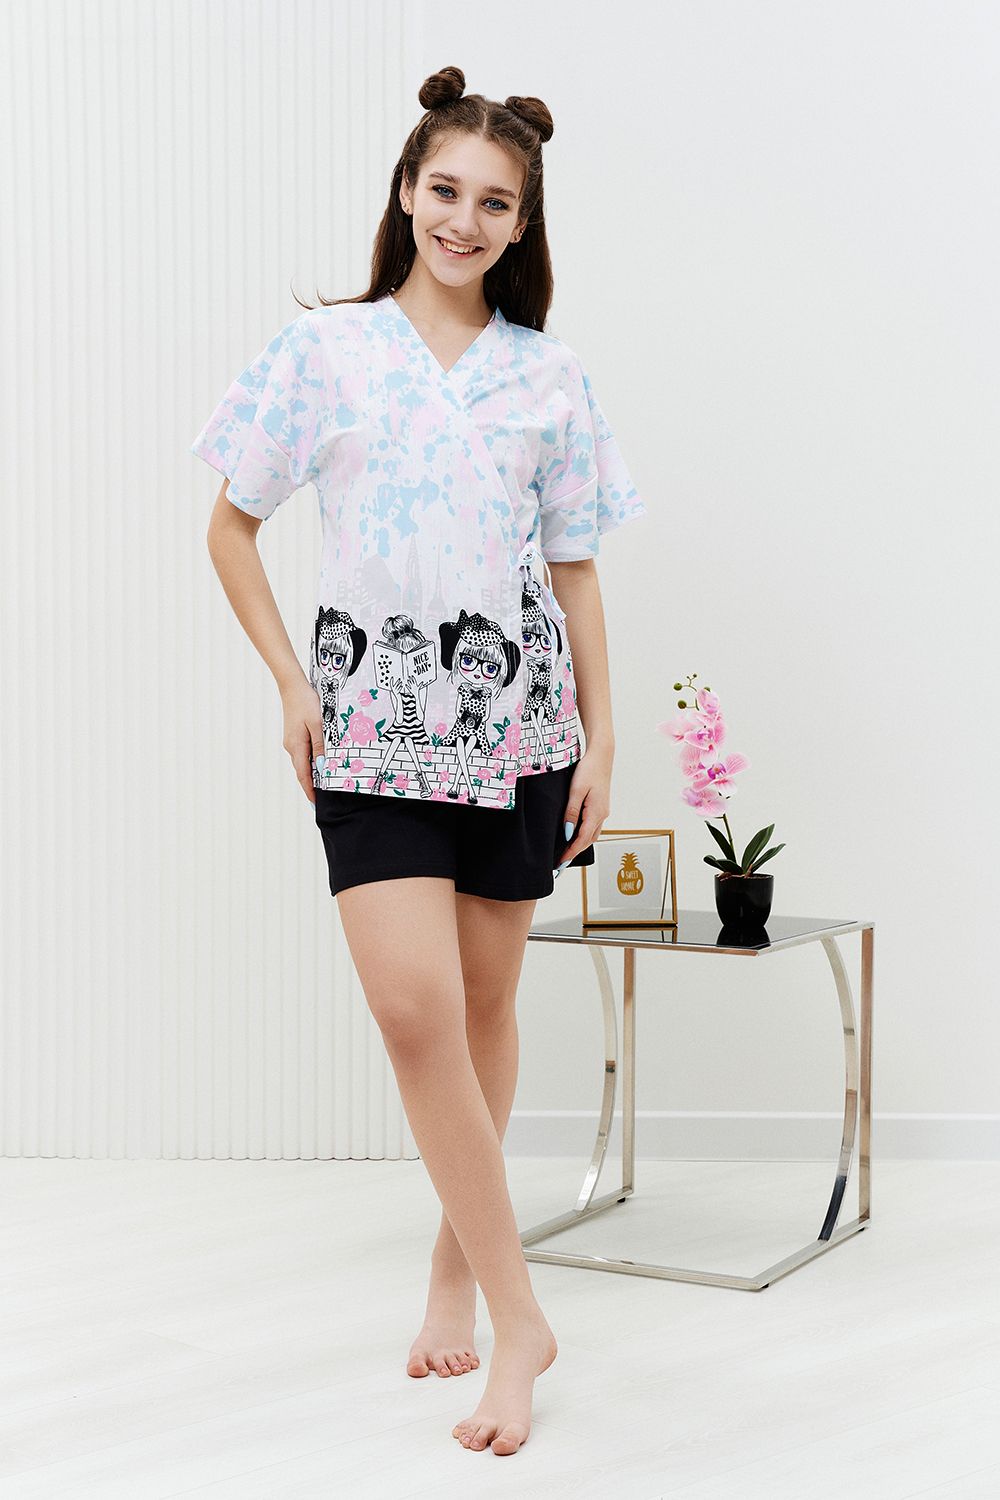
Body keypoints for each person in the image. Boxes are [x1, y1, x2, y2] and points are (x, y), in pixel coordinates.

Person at [191, 64, 647, 1458]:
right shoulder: (323, 352)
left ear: (522, 223)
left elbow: (574, 571)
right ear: (405, 192)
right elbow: (229, 527)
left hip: (518, 733)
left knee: (485, 1007)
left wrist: (604, 733)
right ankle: (523, 1319)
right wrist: (291, 684)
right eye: (445, 190)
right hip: (368, 731)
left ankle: (458, 1264)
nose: (464, 219)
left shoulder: (548, 375)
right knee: (413, 1015)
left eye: (494, 202)